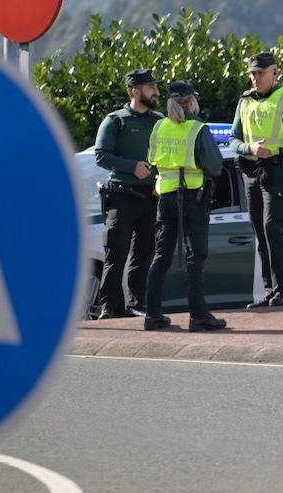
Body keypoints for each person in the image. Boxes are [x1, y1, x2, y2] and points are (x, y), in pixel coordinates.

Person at [142, 80, 227, 332]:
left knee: (161, 256)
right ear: (191, 101)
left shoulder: (159, 126)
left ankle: (152, 315)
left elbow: (150, 160)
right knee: (195, 256)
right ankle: (198, 316)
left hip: (166, 198)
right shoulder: (197, 128)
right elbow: (215, 166)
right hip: (192, 198)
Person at [231, 51, 283, 307]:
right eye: (252, 74)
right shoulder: (244, 101)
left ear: (274, 72)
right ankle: (270, 292)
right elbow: (233, 139)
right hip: (251, 170)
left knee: (272, 228)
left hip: (277, 170)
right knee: (260, 232)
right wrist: (249, 149)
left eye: (260, 73)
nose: (255, 78)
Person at [93, 68, 162, 319]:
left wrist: (159, 178)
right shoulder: (115, 120)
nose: (155, 91)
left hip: (151, 197)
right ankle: (110, 308)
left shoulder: (159, 120)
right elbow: (101, 155)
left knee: (144, 255)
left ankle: (137, 304)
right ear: (135, 91)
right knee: (116, 254)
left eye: (155, 86)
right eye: (150, 87)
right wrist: (132, 166)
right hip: (122, 196)